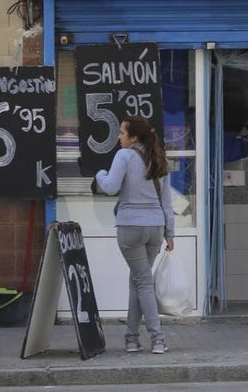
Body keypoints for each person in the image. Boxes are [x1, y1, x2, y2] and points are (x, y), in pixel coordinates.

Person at [95, 115, 175, 355]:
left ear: (134, 137)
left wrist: (99, 174)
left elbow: (110, 187)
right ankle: (131, 338)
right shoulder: (159, 158)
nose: (119, 137)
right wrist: (170, 232)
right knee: (139, 281)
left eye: (121, 133)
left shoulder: (124, 156)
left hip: (130, 227)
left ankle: (157, 338)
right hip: (155, 227)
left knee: (143, 282)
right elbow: (167, 201)